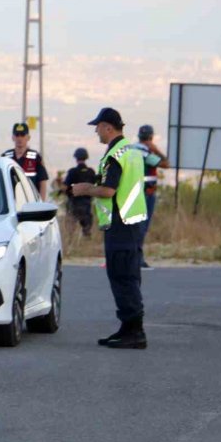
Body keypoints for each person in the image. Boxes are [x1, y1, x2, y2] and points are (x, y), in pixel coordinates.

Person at [72, 107, 148, 349]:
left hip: (120, 224)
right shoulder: (132, 151)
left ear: (108, 126)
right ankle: (128, 328)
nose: (96, 131)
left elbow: (108, 190)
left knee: (121, 275)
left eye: (98, 126)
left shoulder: (115, 154)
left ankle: (134, 332)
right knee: (130, 274)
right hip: (133, 222)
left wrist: (85, 189)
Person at [134, 125, 170, 269]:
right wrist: (155, 149)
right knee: (142, 227)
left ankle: (135, 257)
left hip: (135, 193)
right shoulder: (146, 153)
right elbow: (166, 163)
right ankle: (137, 258)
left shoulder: (132, 149)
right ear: (151, 138)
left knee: (137, 226)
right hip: (146, 193)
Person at [2, 122, 49, 199]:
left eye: (22, 135)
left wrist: (41, 204)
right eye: (17, 135)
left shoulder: (35, 158)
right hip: (11, 201)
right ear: (13, 137)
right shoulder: (5, 157)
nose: (19, 138)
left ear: (28, 137)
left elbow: (43, 182)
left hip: (31, 202)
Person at [64, 148, 95, 237]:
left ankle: (71, 244)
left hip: (73, 203)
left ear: (76, 158)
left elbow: (66, 187)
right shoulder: (91, 172)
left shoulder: (72, 171)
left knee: (71, 231)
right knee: (86, 230)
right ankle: (86, 244)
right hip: (86, 204)